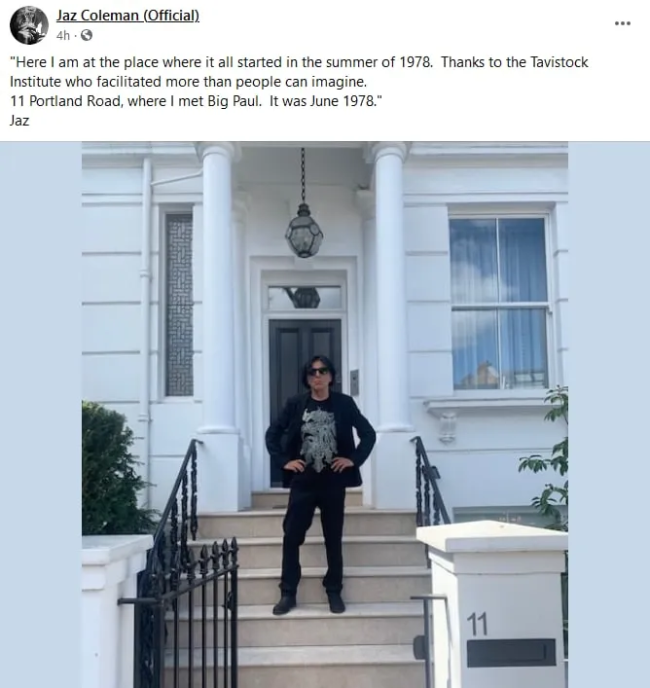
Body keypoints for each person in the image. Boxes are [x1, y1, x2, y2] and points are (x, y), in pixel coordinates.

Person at [265, 355, 376, 615]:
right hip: (303, 482)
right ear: (307, 378)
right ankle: (288, 592)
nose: (317, 375)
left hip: (333, 482)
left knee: (333, 538)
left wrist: (353, 460)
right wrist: (284, 462)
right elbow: (273, 434)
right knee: (292, 536)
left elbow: (368, 434)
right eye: (312, 372)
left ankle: (334, 590)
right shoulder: (295, 404)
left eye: (322, 371)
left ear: (331, 376)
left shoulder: (344, 404)